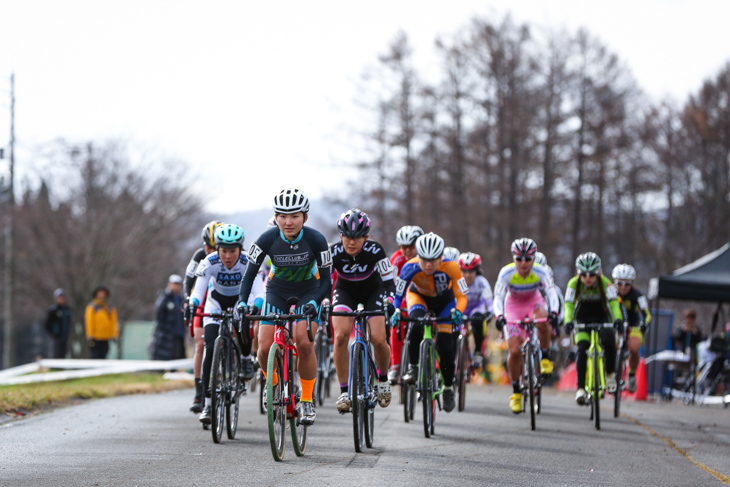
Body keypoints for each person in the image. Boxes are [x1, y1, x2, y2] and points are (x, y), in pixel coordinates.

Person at [237, 188, 332, 425]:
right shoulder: (266, 239)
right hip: (277, 292)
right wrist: (241, 301)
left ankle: (307, 400)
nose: (288, 222)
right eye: (282, 216)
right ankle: (273, 383)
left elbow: (327, 280)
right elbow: (249, 277)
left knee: (304, 342)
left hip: (308, 292)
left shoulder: (317, 240)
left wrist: (314, 302)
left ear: (305, 217)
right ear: (276, 217)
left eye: (295, 216)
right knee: (264, 345)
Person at [188, 223, 264, 424]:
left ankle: (246, 358)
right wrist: (193, 303)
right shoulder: (209, 261)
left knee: (244, 324)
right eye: (224, 251)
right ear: (218, 249)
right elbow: (198, 290)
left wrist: (256, 304)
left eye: (232, 251)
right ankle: (207, 404)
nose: (228, 256)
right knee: (210, 348)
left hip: (240, 300)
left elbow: (259, 291)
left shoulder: (248, 262)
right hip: (215, 303)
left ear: (240, 249)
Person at [392, 232, 467, 412]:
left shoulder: (452, 267)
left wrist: (458, 311)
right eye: (424, 259)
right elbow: (399, 295)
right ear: (418, 256)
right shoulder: (409, 267)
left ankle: (448, 387)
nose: (428, 264)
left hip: (445, 301)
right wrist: (395, 310)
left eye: (433, 260)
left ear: (441, 257)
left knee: (444, 344)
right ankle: (414, 367)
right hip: (418, 296)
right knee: (415, 324)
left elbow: (462, 296)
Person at [330, 208, 396, 412]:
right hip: (345, 291)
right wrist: (323, 302)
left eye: (357, 238)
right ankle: (343, 391)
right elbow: (323, 283)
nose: (351, 242)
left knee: (378, 338)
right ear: (340, 235)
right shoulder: (333, 252)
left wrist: (391, 300)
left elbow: (388, 282)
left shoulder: (376, 250)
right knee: (340, 337)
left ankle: (383, 380)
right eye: (348, 237)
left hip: (372, 292)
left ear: (366, 237)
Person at [493, 238, 559, 414]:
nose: (523, 263)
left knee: (543, 319)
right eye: (519, 259)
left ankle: (545, 358)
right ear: (514, 258)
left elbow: (552, 293)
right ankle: (516, 392)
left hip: (533, 303)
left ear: (534, 258)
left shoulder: (541, 271)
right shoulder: (506, 273)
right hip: (513, 307)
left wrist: (555, 312)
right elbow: (498, 297)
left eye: (528, 259)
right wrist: (499, 316)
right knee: (514, 351)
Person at [564, 252, 624, 405]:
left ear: (598, 273)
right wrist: (568, 321)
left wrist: (618, 319)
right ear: (579, 274)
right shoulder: (573, 284)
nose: (588, 278)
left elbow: (614, 303)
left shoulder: (605, 283)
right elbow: (569, 305)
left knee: (609, 340)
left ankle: (610, 374)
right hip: (582, 318)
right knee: (582, 348)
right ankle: (581, 388)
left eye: (592, 274)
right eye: (584, 274)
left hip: (602, 317)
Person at [183, 220, 224, 412]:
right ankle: (200, 392)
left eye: (216, 247)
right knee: (200, 344)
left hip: (225, 298)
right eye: (208, 246)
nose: (211, 251)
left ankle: (234, 367)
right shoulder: (200, 256)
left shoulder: (231, 255)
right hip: (203, 301)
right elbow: (188, 281)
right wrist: (187, 299)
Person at [387, 225, 424, 383]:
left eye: (411, 247)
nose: (407, 251)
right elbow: (393, 285)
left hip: (420, 295)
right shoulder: (396, 259)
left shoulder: (425, 258)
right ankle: (395, 366)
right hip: (402, 296)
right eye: (404, 247)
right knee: (396, 323)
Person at [612, 263, 651, 393]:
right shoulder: (610, 294)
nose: (623, 287)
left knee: (634, 348)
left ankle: (632, 375)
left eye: (627, 284)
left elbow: (646, 314)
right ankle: (609, 373)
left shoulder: (637, 295)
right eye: (619, 283)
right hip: (614, 325)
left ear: (632, 283)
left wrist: (644, 324)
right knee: (609, 344)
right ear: (614, 282)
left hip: (633, 326)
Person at [458, 252, 494, 370]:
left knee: (478, 320)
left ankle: (478, 351)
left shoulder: (481, 282)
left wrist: (490, 312)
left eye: (471, 272)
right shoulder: (457, 281)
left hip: (475, 308)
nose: (467, 276)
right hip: (461, 309)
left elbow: (489, 300)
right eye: (464, 271)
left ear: (477, 271)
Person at [150, 274, 187, 361]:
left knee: (176, 354)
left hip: (178, 332)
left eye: (178, 284)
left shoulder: (182, 299)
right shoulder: (164, 298)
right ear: (169, 284)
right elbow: (159, 313)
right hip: (165, 333)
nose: (176, 286)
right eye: (174, 284)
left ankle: (173, 373)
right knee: (162, 354)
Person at [85, 286, 118, 359]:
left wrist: (114, 334)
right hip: (95, 337)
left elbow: (113, 322)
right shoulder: (92, 307)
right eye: (100, 293)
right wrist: (90, 335)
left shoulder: (110, 307)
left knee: (104, 355)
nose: (101, 296)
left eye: (103, 294)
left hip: (106, 337)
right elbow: (89, 321)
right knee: (95, 356)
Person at [45, 288, 72, 359]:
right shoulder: (53, 310)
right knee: (56, 353)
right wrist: (54, 332)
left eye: (62, 297)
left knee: (64, 353)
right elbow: (47, 324)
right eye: (59, 298)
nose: (60, 299)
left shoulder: (67, 309)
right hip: (57, 337)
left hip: (66, 336)